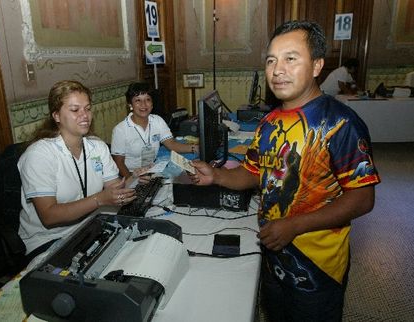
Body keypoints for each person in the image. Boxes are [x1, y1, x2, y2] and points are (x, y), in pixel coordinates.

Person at [189, 21, 380, 321]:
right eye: (271, 60)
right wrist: (217, 176)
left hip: (317, 265)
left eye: (291, 58)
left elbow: (362, 198)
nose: (277, 70)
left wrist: (294, 226)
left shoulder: (340, 124)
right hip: (273, 252)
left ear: (317, 65)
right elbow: (254, 172)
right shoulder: (269, 123)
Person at [18, 80, 136, 257]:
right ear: (56, 115)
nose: (85, 115)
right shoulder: (39, 155)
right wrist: (99, 199)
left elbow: (114, 189)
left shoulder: (97, 147)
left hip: (90, 228)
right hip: (49, 239)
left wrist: (134, 180)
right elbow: (49, 216)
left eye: (88, 109)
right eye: (75, 110)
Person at [111, 82, 198, 179]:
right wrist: (132, 181)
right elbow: (118, 163)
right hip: (130, 174)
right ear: (130, 105)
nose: (143, 104)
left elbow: (171, 144)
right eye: (138, 100)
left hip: (152, 170)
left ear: (152, 104)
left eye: (147, 99)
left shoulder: (157, 120)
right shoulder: (120, 130)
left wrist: (194, 148)